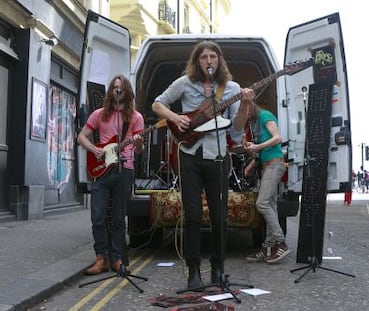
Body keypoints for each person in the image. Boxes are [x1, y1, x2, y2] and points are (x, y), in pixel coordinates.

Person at [152, 40, 255, 290]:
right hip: (190, 154)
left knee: (220, 216)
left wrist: (244, 104)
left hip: (218, 157)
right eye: (204, 57)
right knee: (193, 216)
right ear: (197, 61)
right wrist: (176, 117)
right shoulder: (184, 83)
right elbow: (157, 104)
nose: (209, 61)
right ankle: (194, 272)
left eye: (213, 57)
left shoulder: (231, 89)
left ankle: (218, 269)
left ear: (219, 61)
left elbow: (238, 127)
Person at [77, 75, 145, 274]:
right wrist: (94, 149)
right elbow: (81, 136)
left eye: (121, 89)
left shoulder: (136, 118)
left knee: (118, 218)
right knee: (97, 217)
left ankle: (116, 258)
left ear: (127, 92)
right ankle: (101, 258)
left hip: (125, 169)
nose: (117, 92)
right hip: (101, 170)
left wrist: (138, 141)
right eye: (114, 88)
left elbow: (139, 150)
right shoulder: (99, 114)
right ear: (110, 92)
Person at [242, 100, 290, 264]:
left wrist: (257, 146)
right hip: (267, 165)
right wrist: (252, 161)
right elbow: (262, 150)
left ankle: (281, 242)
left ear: (251, 106)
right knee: (271, 206)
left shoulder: (265, 115)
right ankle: (267, 247)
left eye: (245, 111)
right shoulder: (254, 123)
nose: (244, 115)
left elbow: (277, 138)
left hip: (274, 165)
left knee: (261, 203)